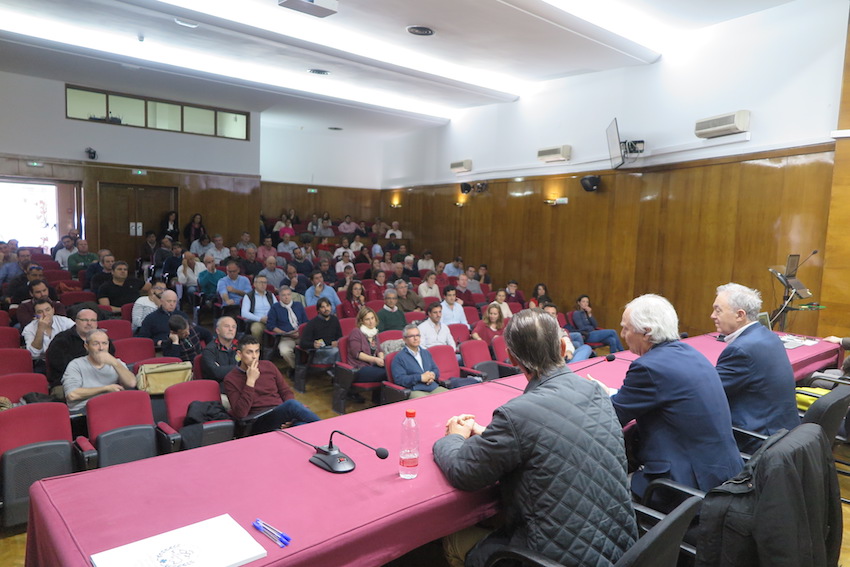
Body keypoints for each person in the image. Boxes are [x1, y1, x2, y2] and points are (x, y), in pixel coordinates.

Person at [434, 309, 637, 567]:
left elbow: (464, 472)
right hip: (621, 547)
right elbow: (556, 433)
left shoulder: (517, 414)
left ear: (511, 357)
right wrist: (492, 434)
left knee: (454, 539)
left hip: (550, 558)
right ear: (564, 346)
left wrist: (453, 438)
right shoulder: (597, 392)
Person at [604, 294, 742, 502]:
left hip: (683, 485)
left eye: (626, 328)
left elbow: (611, 417)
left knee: (601, 494)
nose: (622, 334)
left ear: (647, 332)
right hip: (722, 473)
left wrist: (596, 396)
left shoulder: (648, 367)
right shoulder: (691, 353)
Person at [711, 282, 800, 452]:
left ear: (740, 315)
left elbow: (709, 393)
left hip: (757, 440)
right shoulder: (767, 335)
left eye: (718, 310)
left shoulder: (740, 350)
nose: (712, 315)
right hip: (782, 432)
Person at [224, 336, 320, 433]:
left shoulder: (268, 366)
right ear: (239, 354)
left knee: (302, 426)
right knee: (292, 405)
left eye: (257, 351)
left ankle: (329, 440)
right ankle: (329, 430)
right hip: (257, 420)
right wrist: (250, 381)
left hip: (279, 412)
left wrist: (290, 419)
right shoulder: (231, 379)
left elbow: (285, 392)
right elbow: (240, 413)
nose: (254, 356)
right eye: (249, 352)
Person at [45, 309, 115, 399]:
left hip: (100, 380)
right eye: (85, 320)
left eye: (93, 320)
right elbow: (61, 367)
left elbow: (110, 361)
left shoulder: (103, 339)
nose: (89, 323)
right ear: (76, 321)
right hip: (67, 383)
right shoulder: (61, 340)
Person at [63, 329, 137, 414]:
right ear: (87, 346)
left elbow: (131, 383)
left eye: (104, 343)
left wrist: (115, 363)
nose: (101, 348)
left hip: (113, 407)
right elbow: (72, 395)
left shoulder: (116, 363)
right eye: (96, 344)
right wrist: (105, 389)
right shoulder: (75, 365)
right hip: (84, 411)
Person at [390, 324, 449, 398]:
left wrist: (432, 375)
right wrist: (420, 378)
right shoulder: (399, 358)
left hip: (433, 387)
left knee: (450, 396)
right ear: (404, 339)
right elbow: (400, 380)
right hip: (415, 390)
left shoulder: (426, 353)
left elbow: (436, 369)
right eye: (411, 336)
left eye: (417, 335)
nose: (415, 338)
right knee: (427, 403)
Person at [23, 298, 75, 372]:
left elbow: (78, 338)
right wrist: (40, 329)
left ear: (53, 310)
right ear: (35, 315)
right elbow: (33, 354)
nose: (45, 314)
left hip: (67, 358)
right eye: (40, 312)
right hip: (43, 362)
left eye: (47, 310)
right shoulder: (29, 329)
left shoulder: (65, 322)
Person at [266, 286, 308, 370]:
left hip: (301, 335)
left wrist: (300, 332)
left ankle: (308, 366)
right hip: (286, 337)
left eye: (288, 294)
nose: (286, 297)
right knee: (285, 352)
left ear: (291, 295)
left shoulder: (298, 305)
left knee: (314, 346)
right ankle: (297, 369)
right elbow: (271, 325)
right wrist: (284, 333)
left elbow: (306, 322)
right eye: (283, 295)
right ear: (280, 297)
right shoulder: (275, 308)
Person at [347, 307, 387, 383]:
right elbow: (357, 354)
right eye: (367, 319)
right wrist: (375, 359)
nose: (371, 322)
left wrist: (381, 358)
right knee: (387, 374)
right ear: (361, 321)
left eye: (372, 318)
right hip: (359, 368)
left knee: (392, 369)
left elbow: (379, 350)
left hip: (372, 365)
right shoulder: (356, 332)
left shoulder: (373, 332)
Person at [299, 297, 343, 365]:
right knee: (337, 351)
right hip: (319, 350)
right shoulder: (312, 323)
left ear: (331, 307)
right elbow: (302, 343)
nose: (326, 309)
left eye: (327, 306)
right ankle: (335, 372)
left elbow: (340, 336)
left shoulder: (335, 319)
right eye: (323, 307)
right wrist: (313, 344)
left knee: (345, 349)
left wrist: (337, 342)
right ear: (318, 310)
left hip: (333, 347)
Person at [201, 316, 239, 384]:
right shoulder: (209, 350)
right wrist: (241, 367)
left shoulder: (241, 347)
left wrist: (223, 369)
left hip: (238, 384)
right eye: (227, 326)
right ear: (218, 330)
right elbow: (216, 373)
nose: (231, 329)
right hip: (218, 389)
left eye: (233, 327)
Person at [241, 274, 277, 340]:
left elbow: (277, 309)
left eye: (265, 282)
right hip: (257, 321)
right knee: (256, 329)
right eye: (260, 282)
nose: (263, 284)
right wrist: (260, 319)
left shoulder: (271, 295)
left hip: (272, 321)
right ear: (255, 284)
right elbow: (244, 313)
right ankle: (257, 348)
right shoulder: (249, 296)